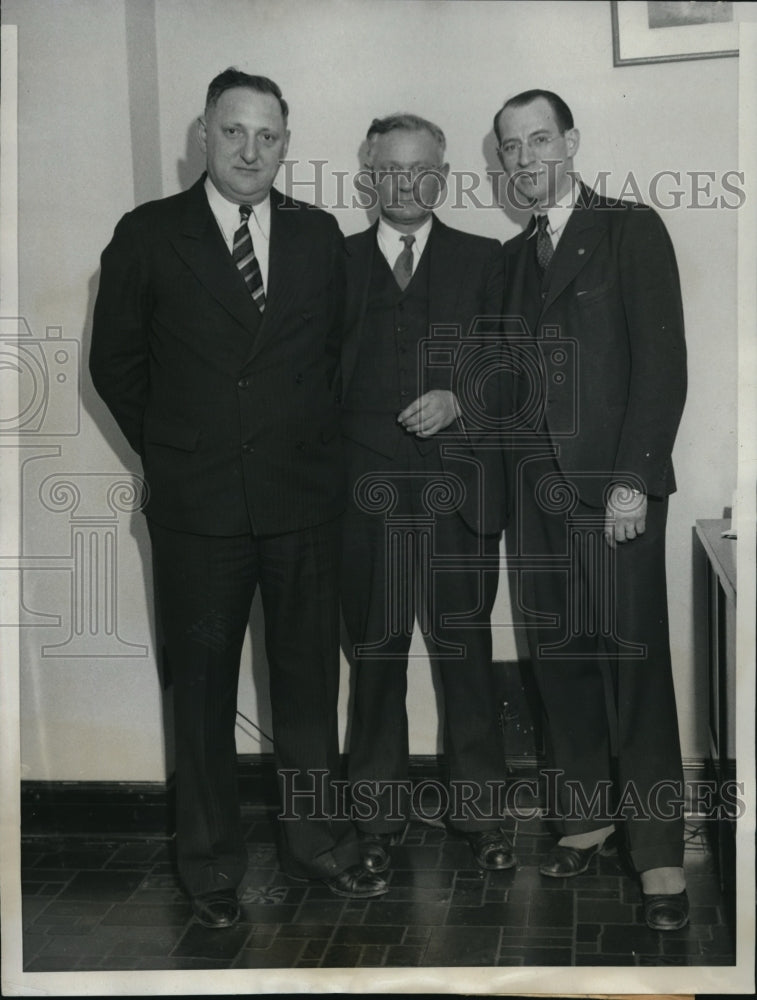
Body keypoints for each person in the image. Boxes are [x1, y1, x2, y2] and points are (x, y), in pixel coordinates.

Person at [89, 68, 386, 930]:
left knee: (302, 692)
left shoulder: (318, 234)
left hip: (302, 505)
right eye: (233, 133)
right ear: (203, 136)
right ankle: (210, 868)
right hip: (198, 512)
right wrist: (186, 448)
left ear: (284, 143)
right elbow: (116, 367)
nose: (250, 150)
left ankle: (316, 846)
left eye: (267, 136)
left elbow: (339, 358)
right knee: (205, 692)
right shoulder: (148, 235)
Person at [493, 89, 689, 931]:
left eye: (540, 139)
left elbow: (662, 364)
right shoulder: (509, 258)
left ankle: (657, 855)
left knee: (633, 668)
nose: (526, 157)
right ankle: (585, 818)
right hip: (535, 497)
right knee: (558, 660)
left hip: (613, 492)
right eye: (511, 147)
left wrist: (630, 481)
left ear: (570, 142)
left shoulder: (629, 228)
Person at [340, 113, 513, 876]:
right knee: (374, 658)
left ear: (441, 178)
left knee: (464, 653)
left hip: (458, 496)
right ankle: (373, 820)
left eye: (421, 170)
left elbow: (519, 371)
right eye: (390, 169)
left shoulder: (487, 260)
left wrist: (461, 401)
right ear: (368, 177)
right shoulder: (331, 263)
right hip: (361, 501)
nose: (405, 183)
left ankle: (481, 814)